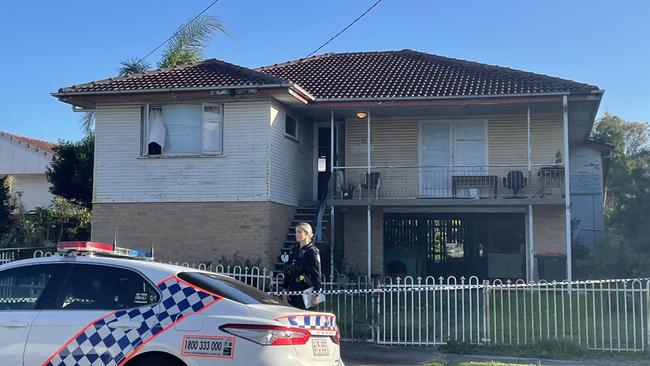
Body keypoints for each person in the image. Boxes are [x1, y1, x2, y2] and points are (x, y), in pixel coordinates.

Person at [281, 222, 322, 309]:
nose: (296, 234)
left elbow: (316, 274)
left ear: (306, 233)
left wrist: (316, 294)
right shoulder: (293, 250)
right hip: (292, 290)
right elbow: (288, 270)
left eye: (299, 232)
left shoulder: (312, 251)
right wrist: (284, 289)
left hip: (306, 290)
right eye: (296, 232)